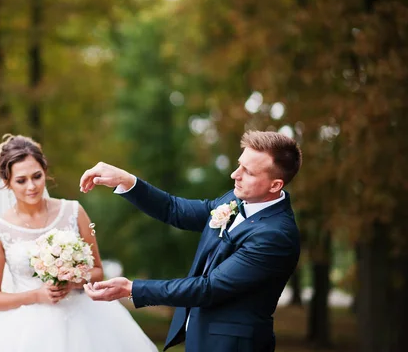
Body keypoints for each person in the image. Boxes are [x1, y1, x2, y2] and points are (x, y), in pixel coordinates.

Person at [80, 130, 302, 352]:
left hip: (233, 345)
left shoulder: (275, 236)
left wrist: (132, 289)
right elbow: (174, 209)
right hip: (200, 335)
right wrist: (126, 181)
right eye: (239, 165)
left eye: (248, 172)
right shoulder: (237, 197)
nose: (235, 175)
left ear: (275, 185)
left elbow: (209, 288)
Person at [0, 134, 157, 352]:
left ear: (45, 172)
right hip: (23, 328)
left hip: (85, 322)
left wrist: (73, 282)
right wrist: (37, 295)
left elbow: (98, 271)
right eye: (21, 180)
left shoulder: (74, 211)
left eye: (36, 176)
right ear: (7, 183)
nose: (31, 186)